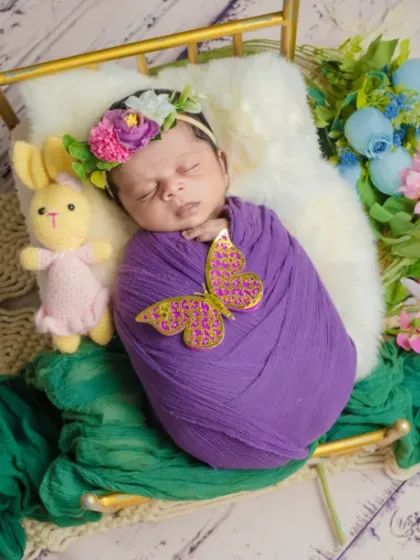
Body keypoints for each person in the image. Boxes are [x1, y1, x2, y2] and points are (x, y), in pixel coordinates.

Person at [69, 86, 357, 469]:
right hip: (222, 427)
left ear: (223, 164)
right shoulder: (142, 262)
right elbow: (143, 326)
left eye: (188, 169)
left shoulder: (258, 224)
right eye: (145, 192)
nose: (172, 189)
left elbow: (289, 265)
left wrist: (241, 228)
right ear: (124, 209)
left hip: (326, 377)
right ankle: (236, 425)